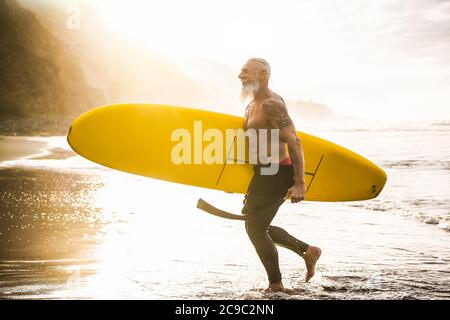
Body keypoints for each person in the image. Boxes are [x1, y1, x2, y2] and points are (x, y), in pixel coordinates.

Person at [239, 58, 322, 292]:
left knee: (255, 228)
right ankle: (307, 251)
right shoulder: (251, 104)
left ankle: (276, 285)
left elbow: (294, 141)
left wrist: (300, 183)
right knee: (256, 225)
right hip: (263, 172)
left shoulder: (272, 104)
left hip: (277, 173)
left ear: (263, 75)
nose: (240, 75)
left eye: (246, 71)